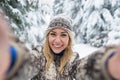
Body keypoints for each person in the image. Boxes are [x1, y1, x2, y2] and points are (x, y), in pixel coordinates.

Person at [0, 9, 120, 80]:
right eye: (53, 34)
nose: (57, 40)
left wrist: (107, 64)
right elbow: (29, 62)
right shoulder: (40, 55)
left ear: (69, 39)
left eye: (63, 35)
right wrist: (12, 59)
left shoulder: (73, 60)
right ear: (47, 37)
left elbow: (84, 67)